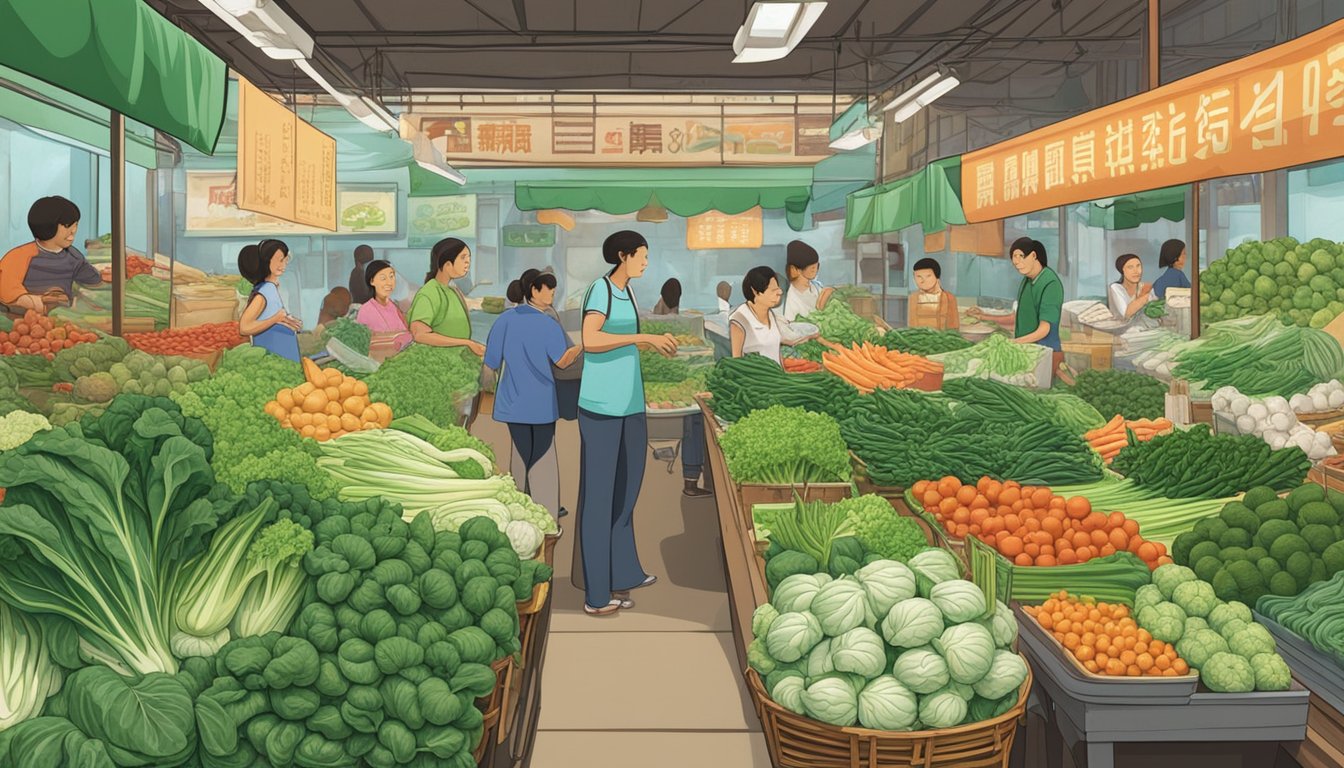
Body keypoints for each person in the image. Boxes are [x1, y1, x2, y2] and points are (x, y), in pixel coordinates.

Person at [576, 230, 678, 616]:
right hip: (601, 407)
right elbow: (591, 339)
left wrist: (650, 341)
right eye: (642, 255)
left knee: (627, 491)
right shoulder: (599, 290)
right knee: (600, 499)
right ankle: (598, 595)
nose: (646, 262)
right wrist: (642, 339)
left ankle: (626, 571)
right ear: (623, 256)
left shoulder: (629, 292)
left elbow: (622, 339)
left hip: (630, 404)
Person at [485, 270, 582, 522]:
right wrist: (582, 347)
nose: (552, 293)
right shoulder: (547, 324)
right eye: (547, 288)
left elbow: (491, 362)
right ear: (533, 291)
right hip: (540, 403)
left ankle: (518, 510)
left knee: (519, 454)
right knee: (543, 455)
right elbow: (562, 362)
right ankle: (547, 513)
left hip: (512, 402)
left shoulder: (505, 320)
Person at [647, 277, 710, 498]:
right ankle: (691, 480)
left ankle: (690, 479)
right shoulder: (683, 320)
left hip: (659, 385)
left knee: (691, 422)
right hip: (684, 386)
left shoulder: (653, 318)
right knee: (694, 421)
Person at [972, 237, 1067, 379]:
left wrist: (1013, 343)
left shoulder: (1050, 283)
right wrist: (983, 316)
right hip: (1026, 353)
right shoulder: (1027, 281)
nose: (1017, 262)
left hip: (1044, 356)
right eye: (1014, 258)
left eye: (1020, 256)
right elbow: (1018, 317)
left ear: (1034, 255)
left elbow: (1044, 329)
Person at [0, 196, 106, 314]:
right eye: (67, 225)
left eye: (76, 224)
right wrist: (37, 302)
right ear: (47, 226)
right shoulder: (19, 256)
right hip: (22, 322)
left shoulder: (74, 257)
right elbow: (7, 289)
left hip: (62, 321)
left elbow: (95, 281)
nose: (73, 230)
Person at [408, 238, 484, 356]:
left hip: (457, 357)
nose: (468, 262)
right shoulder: (429, 293)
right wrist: (467, 343)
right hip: (436, 361)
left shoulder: (452, 291)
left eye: (469, 257)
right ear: (447, 264)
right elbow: (419, 334)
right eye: (463, 257)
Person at [731, 266, 813, 364]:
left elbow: (772, 347)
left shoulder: (770, 314)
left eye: (778, 288)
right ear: (755, 292)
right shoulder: (740, 320)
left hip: (777, 375)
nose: (780, 292)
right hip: (758, 378)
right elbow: (736, 364)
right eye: (773, 290)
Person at [237, 239, 302, 362]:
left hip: (283, 355)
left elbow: (271, 315)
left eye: (285, 260)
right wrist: (276, 318)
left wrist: (286, 320)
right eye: (280, 260)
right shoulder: (264, 292)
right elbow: (244, 327)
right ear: (266, 261)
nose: (283, 265)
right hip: (273, 356)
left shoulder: (271, 288)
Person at [355, 260, 413, 350]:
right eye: (383, 278)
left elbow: (407, 334)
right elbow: (363, 344)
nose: (389, 282)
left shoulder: (394, 307)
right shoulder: (366, 310)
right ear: (372, 281)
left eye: (391, 277)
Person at [782, 240, 833, 322]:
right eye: (812, 268)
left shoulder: (816, 287)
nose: (816, 269)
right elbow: (791, 325)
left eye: (817, 266)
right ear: (796, 269)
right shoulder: (791, 297)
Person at [908, 257, 959, 330]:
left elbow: (954, 328)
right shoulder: (913, 298)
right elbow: (911, 328)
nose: (922, 280)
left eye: (928, 276)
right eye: (918, 277)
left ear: (937, 277)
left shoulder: (949, 298)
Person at [1109, 253, 1155, 324]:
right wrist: (1145, 294)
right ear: (1122, 270)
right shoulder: (1116, 287)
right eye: (1130, 267)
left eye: (1138, 266)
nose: (1136, 271)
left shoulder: (1145, 287)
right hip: (1119, 329)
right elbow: (1126, 313)